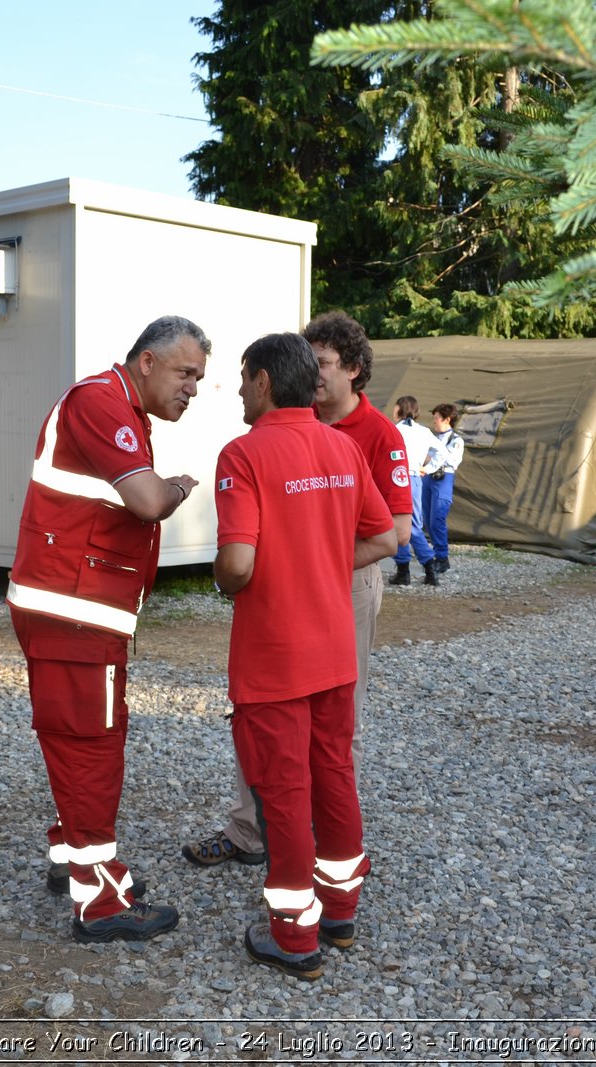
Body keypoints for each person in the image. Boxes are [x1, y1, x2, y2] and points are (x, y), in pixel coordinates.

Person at [183, 310, 411, 868]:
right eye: (312, 364)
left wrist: (301, 563)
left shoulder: (370, 437)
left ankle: (297, 901)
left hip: (320, 603)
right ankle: (312, 877)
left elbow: (393, 535)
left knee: (303, 748)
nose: (317, 375)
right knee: (307, 744)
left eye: (327, 364)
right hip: (317, 602)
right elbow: (379, 529)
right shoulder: (335, 445)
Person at [7, 315, 209, 944]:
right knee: (92, 745)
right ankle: (99, 900)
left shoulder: (114, 405)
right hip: (75, 610)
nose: (193, 389)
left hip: (76, 608)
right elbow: (146, 501)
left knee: (82, 738)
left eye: (199, 378)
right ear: (145, 362)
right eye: (184, 373)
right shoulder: (101, 400)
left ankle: (74, 861)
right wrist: (175, 487)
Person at [213, 331, 396, 979]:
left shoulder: (243, 452)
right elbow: (383, 534)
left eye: (241, 378)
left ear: (263, 381)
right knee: (335, 775)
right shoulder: (342, 445)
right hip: (334, 652)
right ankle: (340, 911)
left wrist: (226, 575)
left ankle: (294, 936)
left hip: (275, 659)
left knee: (285, 794)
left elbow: (237, 562)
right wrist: (320, 563)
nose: (236, 390)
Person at [389, 395, 439, 586]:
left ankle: (407, 570)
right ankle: (428, 569)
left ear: (400, 408)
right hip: (416, 478)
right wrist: (427, 468)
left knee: (400, 524)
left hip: (397, 478)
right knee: (413, 523)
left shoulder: (394, 430)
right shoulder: (424, 431)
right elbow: (442, 452)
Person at [421, 402, 465, 574]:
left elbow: (450, 461)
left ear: (447, 420)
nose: (434, 421)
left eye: (437, 418)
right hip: (428, 477)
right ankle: (434, 552)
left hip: (443, 478)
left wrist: (432, 458)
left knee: (437, 518)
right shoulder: (431, 437)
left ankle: (442, 557)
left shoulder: (456, 440)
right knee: (427, 517)